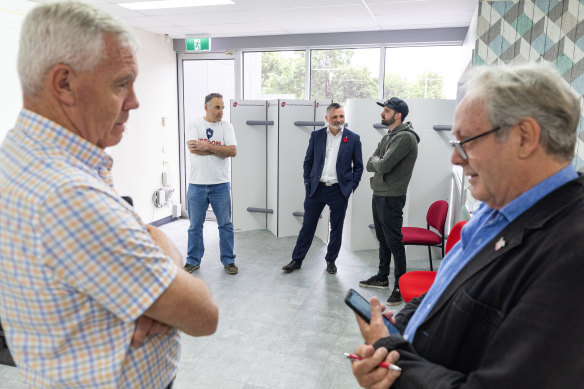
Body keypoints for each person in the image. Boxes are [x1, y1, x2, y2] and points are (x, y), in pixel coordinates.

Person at [0, 2, 218, 387]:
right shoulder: (69, 195)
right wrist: (164, 266)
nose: (134, 101)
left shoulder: (20, 156)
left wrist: (151, 254)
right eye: (121, 83)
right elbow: (203, 314)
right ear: (63, 84)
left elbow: (137, 236)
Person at [350, 61, 584, 388]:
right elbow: (447, 288)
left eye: (467, 141)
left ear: (525, 136)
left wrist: (391, 359)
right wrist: (399, 327)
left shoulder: (572, 256)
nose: (455, 158)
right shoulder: (495, 211)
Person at [282, 103, 363, 274]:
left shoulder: (353, 138)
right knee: (308, 226)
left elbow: (358, 166)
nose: (339, 120)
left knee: (336, 228)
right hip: (316, 189)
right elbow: (308, 161)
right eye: (335, 117)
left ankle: (331, 261)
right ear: (327, 119)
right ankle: (297, 260)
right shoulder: (316, 135)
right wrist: (308, 182)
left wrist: (350, 187)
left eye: (341, 116)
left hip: (338, 191)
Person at [359, 98, 419, 306]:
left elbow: (381, 164)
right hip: (380, 192)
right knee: (383, 239)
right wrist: (378, 161)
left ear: (398, 115)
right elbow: (370, 163)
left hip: (392, 196)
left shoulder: (404, 138)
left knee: (394, 241)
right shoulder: (390, 136)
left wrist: (378, 161)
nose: (382, 114)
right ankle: (382, 276)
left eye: (386, 111)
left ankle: (399, 286)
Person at [184, 93, 238, 275]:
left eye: (222, 108)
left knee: (225, 225)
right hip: (197, 185)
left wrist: (207, 146)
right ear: (206, 107)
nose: (221, 111)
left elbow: (232, 151)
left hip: (220, 184)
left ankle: (229, 260)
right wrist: (219, 150)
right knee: (195, 227)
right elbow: (193, 148)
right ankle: (192, 261)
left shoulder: (226, 127)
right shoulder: (194, 124)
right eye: (217, 107)